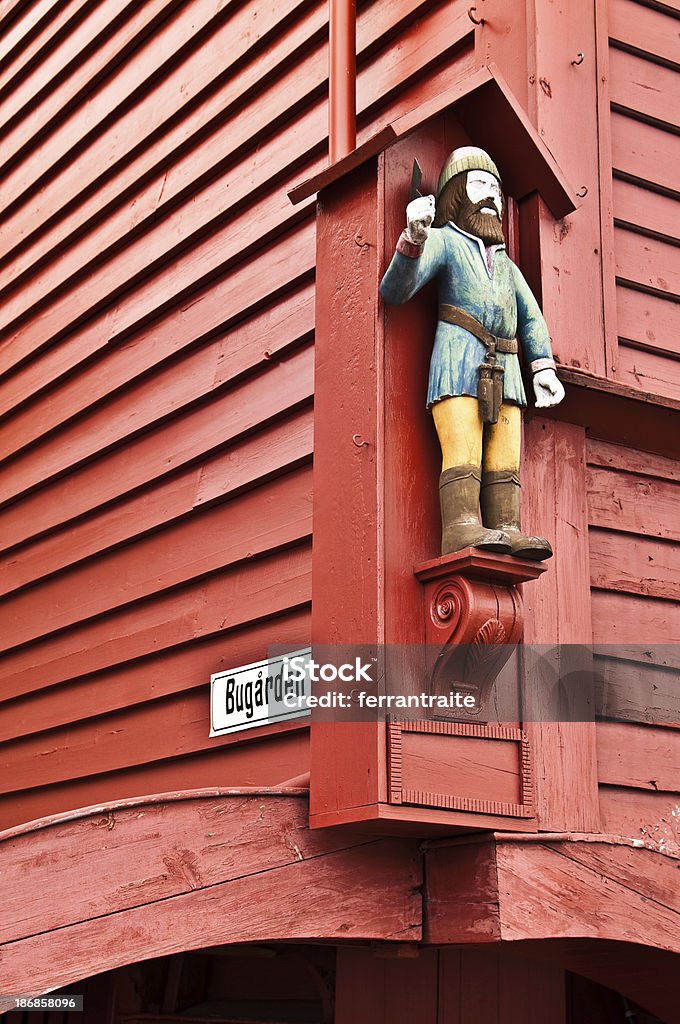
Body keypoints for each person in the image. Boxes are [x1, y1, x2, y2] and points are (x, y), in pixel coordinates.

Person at [379, 146, 565, 560]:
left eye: (497, 191)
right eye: (481, 185)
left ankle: (507, 527)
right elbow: (395, 291)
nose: (491, 198)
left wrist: (543, 369)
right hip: (459, 358)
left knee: (505, 451)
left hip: (509, 368)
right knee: (463, 446)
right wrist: (413, 238)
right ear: (455, 193)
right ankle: (462, 525)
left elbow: (531, 319)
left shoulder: (507, 266)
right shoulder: (445, 243)